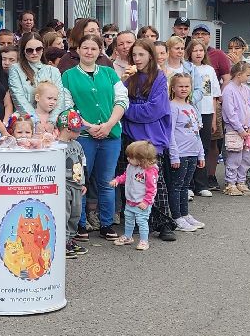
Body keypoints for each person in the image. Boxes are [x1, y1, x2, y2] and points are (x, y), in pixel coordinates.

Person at [61, 35, 127, 239]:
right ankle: (80, 224)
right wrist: (88, 127)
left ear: (100, 51)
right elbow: (68, 106)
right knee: (80, 180)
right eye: (85, 48)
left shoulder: (109, 73)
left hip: (111, 134)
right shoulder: (68, 76)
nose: (89, 52)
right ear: (78, 50)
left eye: (93, 48)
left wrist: (108, 125)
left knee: (106, 181)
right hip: (83, 136)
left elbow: (122, 100)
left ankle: (107, 224)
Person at [120, 39, 175, 242]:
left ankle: (164, 223)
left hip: (152, 137)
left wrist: (128, 110)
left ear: (151, 56)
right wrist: (123, 83)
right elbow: (118, 101)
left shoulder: (159, 77)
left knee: (155, 182)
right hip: (131, 137)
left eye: (141, 54)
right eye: (134, 55)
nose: (137, 58)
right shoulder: (129, 78)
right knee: (132, 181)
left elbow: (154, 110)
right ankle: (136, 221)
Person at [186, 37, 224, 194]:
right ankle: (188, 185)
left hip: (207, 112)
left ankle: (201, 184)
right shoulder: (186, 68)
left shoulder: (209, 70)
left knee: (204, 147)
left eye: (201, 50)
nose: (198, 53)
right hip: (189, 112)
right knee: (189, 147)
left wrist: (214, 119)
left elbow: (214, 95)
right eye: (195, 50)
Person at [167, 74, 205, 232]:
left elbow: (196, 132)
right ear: (173, 88)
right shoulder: (172, 107)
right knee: (176, 186)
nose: (184, 89)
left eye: (187, 86)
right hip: (180, 153)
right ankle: (176, 217)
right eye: (180, 86)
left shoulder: (191, 107)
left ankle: (185, 214)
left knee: (185, 186)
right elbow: (170, 132)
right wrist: (174, 155)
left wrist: (201, 154)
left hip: (193, 152)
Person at [9, 31, 71, 119]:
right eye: (30, 50)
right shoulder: (15, 69)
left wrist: (52, 121)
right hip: (25, 121)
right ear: (23, 51)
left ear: (43, 49)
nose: (34, 53)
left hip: (52, 121)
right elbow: (19, 98)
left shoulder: (53, 71)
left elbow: (60, 98)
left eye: (38, 49)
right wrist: (36, 121)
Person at [110, 141, 159, 250]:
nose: (128, 159)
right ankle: (128, 236)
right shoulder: (131, 166)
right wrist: (117, 180)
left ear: (142, 159)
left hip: (142, 202)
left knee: (142, 222)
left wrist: (146, 202)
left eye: (131, 157)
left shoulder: (149, 171)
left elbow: (152, 189)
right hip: (130, 200)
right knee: (128, 219)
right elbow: (126, 176)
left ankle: (144, 241)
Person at [220, 61, 250, 195]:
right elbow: (229, 112)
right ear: (238, 75)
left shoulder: (246, 89)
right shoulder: (228, 90)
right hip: (234, 129)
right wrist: (239, 129)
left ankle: (241, 181)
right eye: (247, 75)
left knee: (246, 157)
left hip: (247, 130)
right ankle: (230, 183)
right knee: (234, 156)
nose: (249, 78)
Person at [56, 110, 88, 258]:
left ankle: (70, 239)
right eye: (77, 130)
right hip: (65, 185)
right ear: (67, 129)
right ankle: (62, 242)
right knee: (65, 214)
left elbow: (82, 164)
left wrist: (84, 182)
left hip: (77, 185)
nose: (80, 133)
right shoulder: (57, 146)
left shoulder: (78, 145)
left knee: (76, 213)